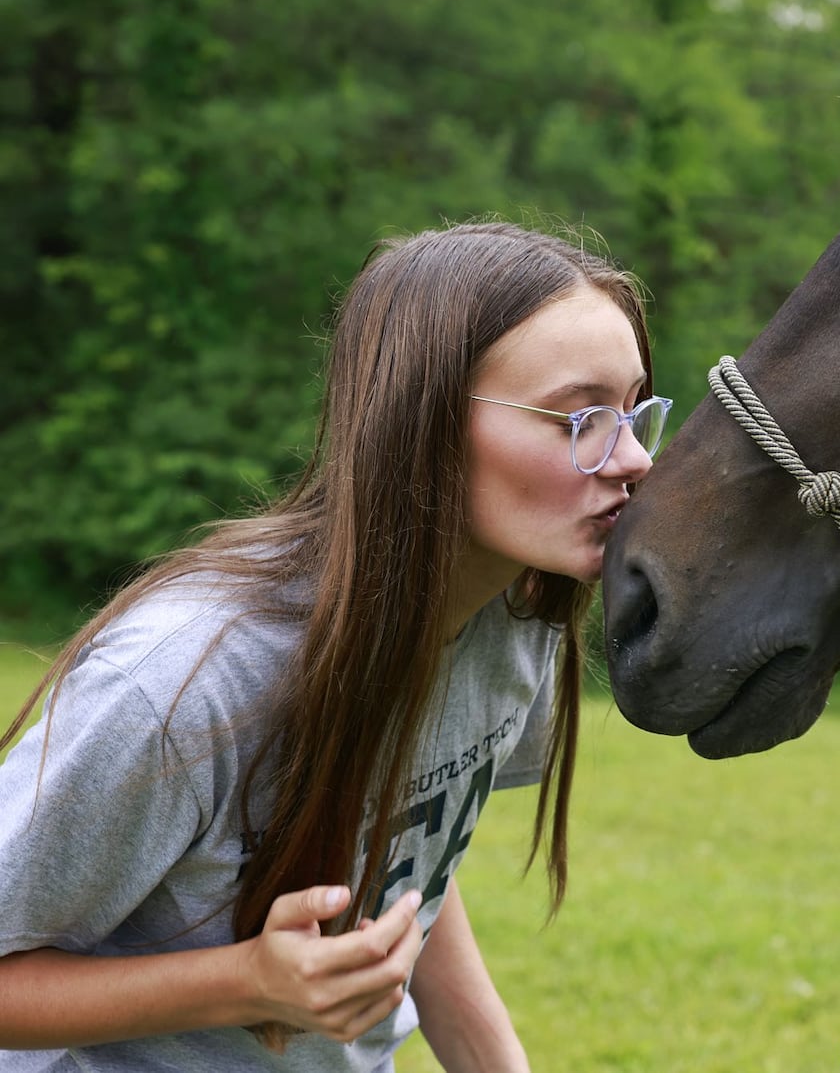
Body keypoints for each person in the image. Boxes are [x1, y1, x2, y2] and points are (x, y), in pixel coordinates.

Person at [0, 221, 672, 1070]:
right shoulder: (181, 684)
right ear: (418, 421)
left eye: (634, 410)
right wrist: (246, 981)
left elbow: (402, 852)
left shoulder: (514, 617)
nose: (636, 458)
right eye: (579, 416)